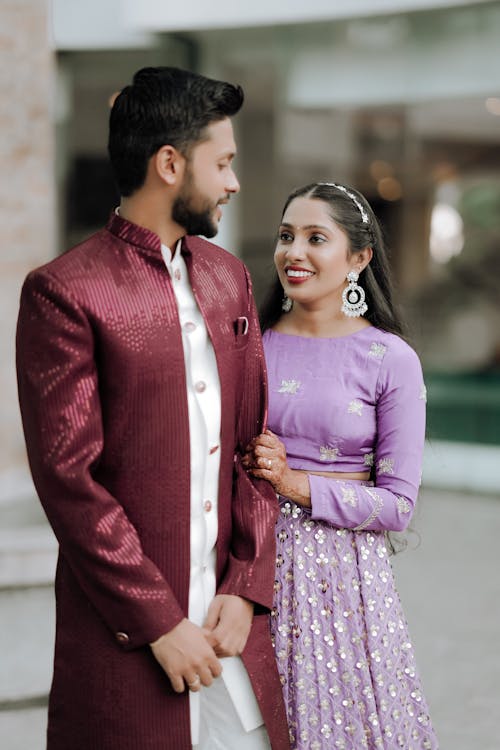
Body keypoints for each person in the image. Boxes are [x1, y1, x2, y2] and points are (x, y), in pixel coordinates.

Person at [16, 66, 289, 750]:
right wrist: (158, 622)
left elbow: (257, 445)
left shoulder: (229, 278)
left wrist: (248, 583)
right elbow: (69, 481)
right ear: (170, 164)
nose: (232, 182)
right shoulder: (66, 293)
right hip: (129, 642)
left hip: (233, 638)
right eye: (221, 163)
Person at [243, 182, 439, 749]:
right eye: (285, 236)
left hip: (343, 581)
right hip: (247, 561)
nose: (293, 252)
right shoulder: (251, 345)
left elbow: (398, 505)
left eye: (314, 238)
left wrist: (295, 482)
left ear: (359, 258)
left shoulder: (389, 359)